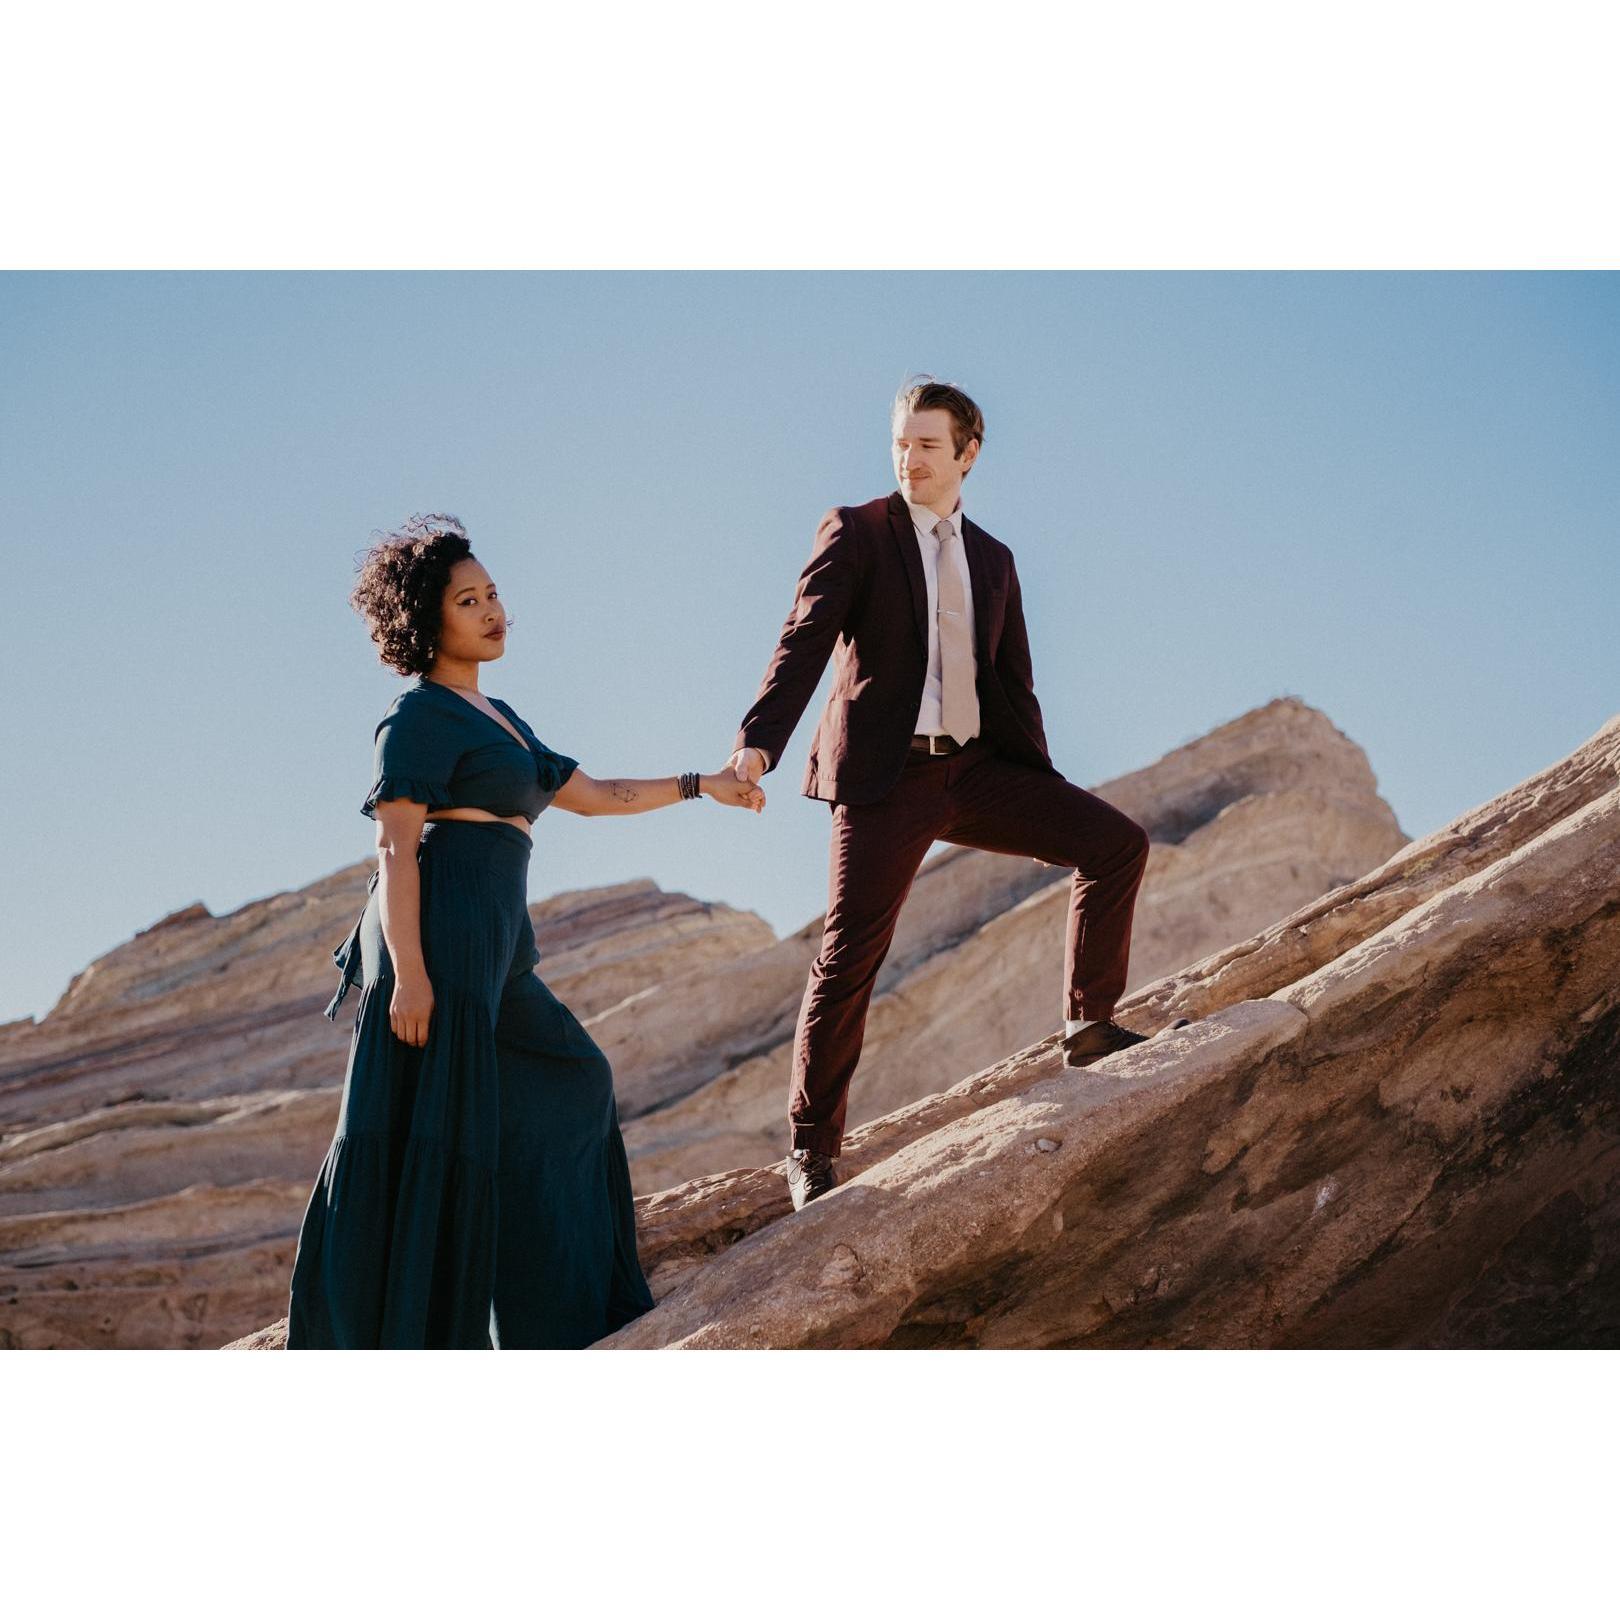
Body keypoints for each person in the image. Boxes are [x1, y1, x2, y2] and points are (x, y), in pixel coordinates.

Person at [288, 513, 763, 1348]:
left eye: (493, 592)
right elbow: (395, 850)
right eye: (468, 601)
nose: (491, 610)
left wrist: (704, 784)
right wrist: (413, 974)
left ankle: (558, 1319)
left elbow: (598, 793)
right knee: (443, 1136)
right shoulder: (416, 716)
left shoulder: (500, 716)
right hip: (444, 941)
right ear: (427, 622)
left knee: (575, 1082)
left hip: (499, 948)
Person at [726, 377, 1154, 1211]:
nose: (909, 458)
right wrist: (758, 743)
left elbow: (1012, 679)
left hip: (978, 768)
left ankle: (1087, 1027)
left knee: (1114, 845)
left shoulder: (994, 559)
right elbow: (805, 637)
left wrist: (1040, 779)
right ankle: (812, 1153)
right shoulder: (857, 531)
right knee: (849, 954)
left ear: (968, 453)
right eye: (900, 442)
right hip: (887, 780)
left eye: (927, 444)